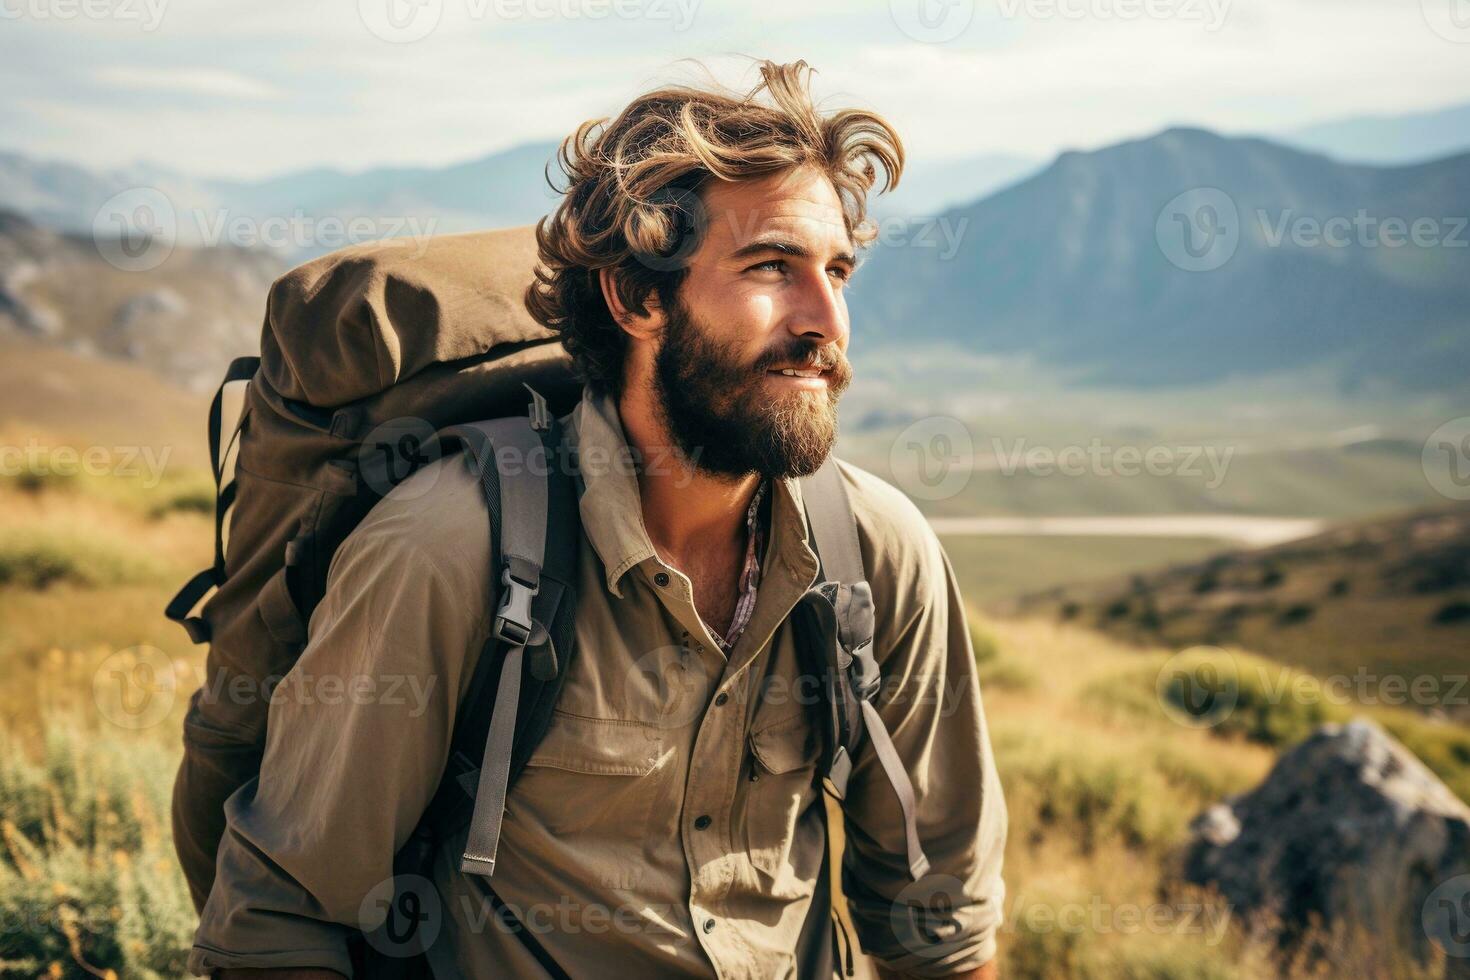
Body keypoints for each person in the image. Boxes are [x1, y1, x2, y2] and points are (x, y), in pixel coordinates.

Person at [187, 59, 1007, 980]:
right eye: (772, 266)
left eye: (838, 271)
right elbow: (278, 925)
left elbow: (940, 928)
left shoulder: (876, 553)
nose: (826, 320)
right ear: (637, 297)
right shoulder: (453, 551)